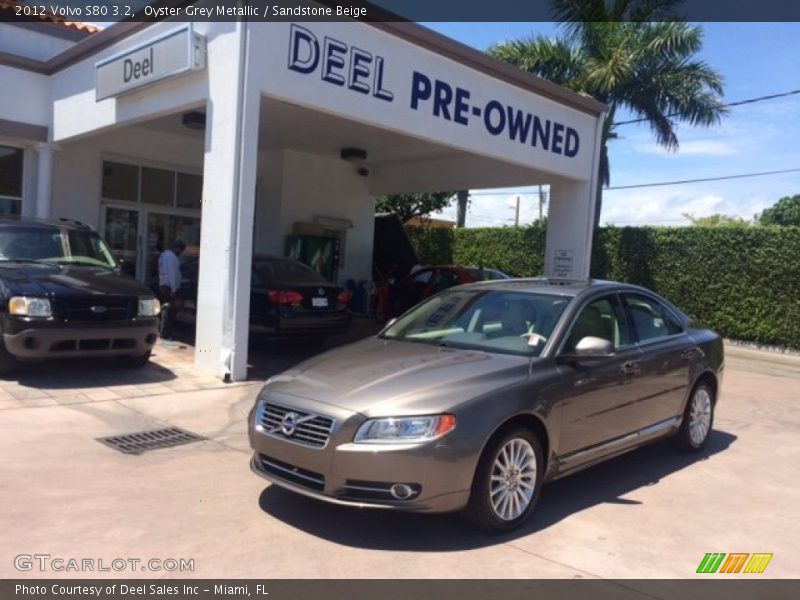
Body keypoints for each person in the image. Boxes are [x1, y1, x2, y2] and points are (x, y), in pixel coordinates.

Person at [157, 239, 186, 339]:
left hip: (163, 286)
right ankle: (165, 333)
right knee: (170, 311)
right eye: (181, 251)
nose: (181, 253)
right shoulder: (172, 258)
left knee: (165, 310)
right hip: (169, 288)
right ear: (177, 248)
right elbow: (172, 274)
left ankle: (162, 331)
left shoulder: (164, 255)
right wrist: (174, 290)